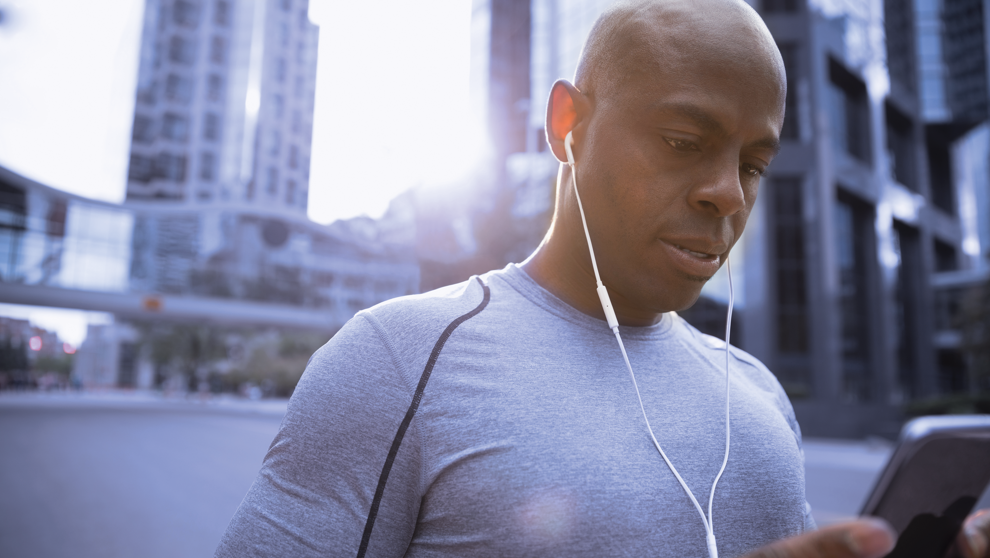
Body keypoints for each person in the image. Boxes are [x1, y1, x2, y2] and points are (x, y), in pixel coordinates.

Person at [216, 0, 990, 556]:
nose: (728, 191)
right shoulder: (398, 358)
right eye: (685, 141)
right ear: (568, 125)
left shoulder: (756, 392)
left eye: (754, 165)